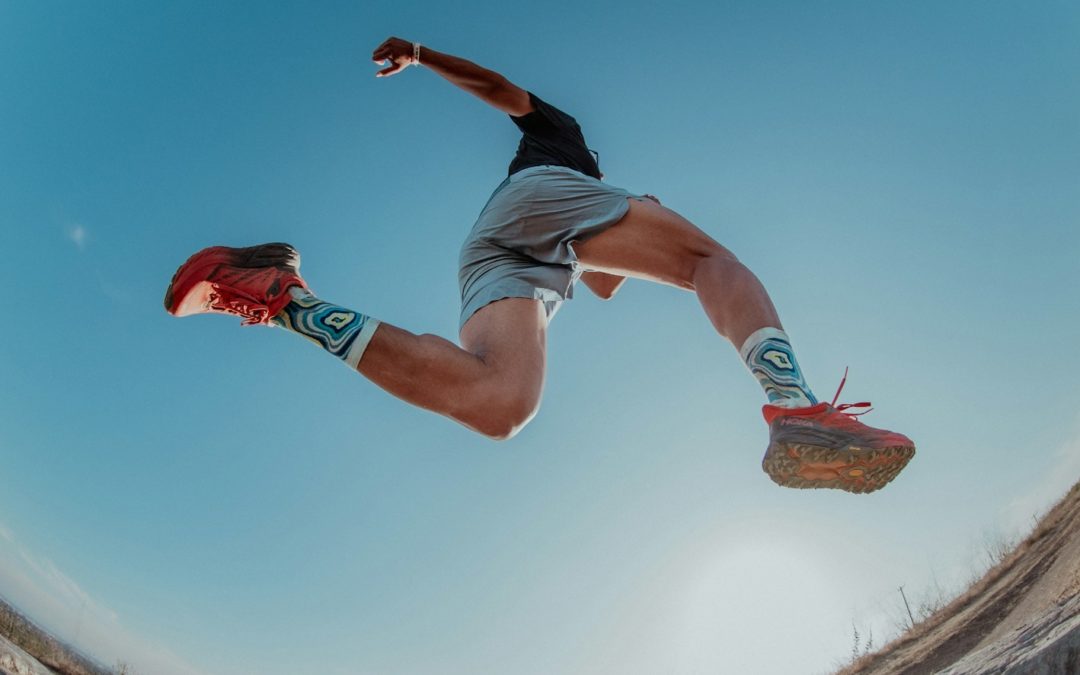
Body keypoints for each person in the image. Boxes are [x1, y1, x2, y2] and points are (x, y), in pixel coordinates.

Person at [164, 36, 915, 493]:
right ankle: (793, 401)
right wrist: (422, 56)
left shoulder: (587, 212)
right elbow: (501, 90)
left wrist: (636, 223)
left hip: (506, 256)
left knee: (501, 405)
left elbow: (605, 278)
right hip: (533, 210)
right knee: (708, 260)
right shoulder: (566, 142)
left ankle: (281, 292)